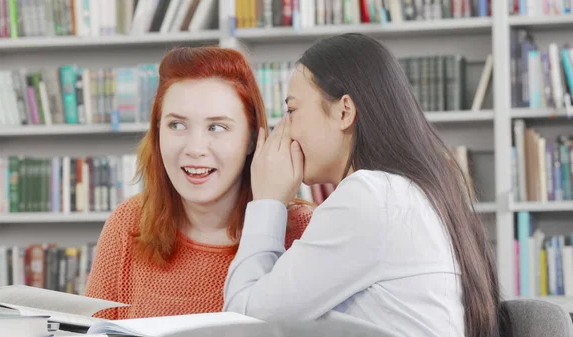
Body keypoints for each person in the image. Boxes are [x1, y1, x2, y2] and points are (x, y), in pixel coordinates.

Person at [223, 33, 503, 337]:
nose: (284, 129)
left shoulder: (370, 196)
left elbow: (243, 323)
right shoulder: (412, 191)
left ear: (344, 111)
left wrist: (267, 202)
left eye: (292, 111)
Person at [84, 46, 313, 320]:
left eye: (217, 127)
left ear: (252, 138)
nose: (195, 148)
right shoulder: (127, 224)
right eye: (177, 125)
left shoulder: (302, 231)